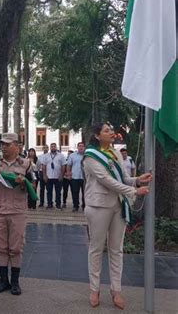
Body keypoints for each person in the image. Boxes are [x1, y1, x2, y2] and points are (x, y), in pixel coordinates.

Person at [83, 122, 151, 309]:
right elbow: (106, 180)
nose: (112, 133)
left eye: (112, 130)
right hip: (98, 205)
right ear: (97, 135)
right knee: (96, 249)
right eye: (107, 131)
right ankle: (95, 289)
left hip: (118, 204)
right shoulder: (91, 156)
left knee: (116, 249)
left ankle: (116, 290)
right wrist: (134, 191)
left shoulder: (114, 153)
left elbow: (121, 177)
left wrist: (137, 180)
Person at [0, 133, 33, 296]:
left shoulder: (26, 164)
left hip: (17, 211)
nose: (3, 147)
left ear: (17, 146)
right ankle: (3, 280)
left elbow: (33, 187)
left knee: (16, 248)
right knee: (1, 248)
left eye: (7, 144)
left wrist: (22, 183)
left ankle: (15, 282)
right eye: (2, 144)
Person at [42, 143, 66, 210]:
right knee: (49, 191)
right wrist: (44, 175)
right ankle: (49, 204)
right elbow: (43, 166)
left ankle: (58, 204)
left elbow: (63, 165)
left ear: (56, 147)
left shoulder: (61, 156)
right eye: (51, 146)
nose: (53, 147)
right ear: (50, 148)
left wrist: (62, 175)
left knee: (58, 191)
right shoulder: (46, 156)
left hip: (58, 176)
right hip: (49, 176)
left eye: (54, 146)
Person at [68, 142, 86, 212]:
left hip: (84, 178)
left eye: (82, 146)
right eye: (80, 146)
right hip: (75, 177)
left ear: (84, 147)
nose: (81, 147)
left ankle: (84, 206)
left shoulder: (87, 155)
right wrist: (69, 174)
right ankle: (75, 206)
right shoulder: (72, 155)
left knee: (85, 193)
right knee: (75, 192)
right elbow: (69, 165)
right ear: (77, 147)